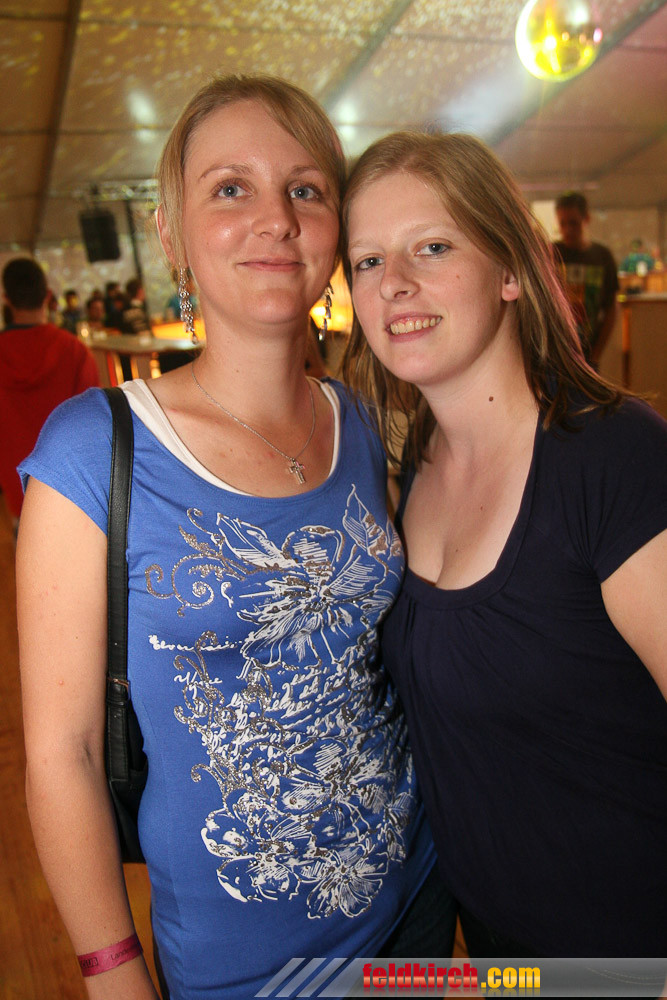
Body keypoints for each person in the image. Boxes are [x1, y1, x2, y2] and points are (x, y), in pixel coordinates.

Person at [17, 77, 446, 1000]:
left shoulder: (365, 422)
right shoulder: (94, 449)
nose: (276, 219)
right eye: (229, 188)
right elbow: (63, 754)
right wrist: (113, 976)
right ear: (172, 234)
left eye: (304, 189)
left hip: (416, 907)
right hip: (243, 971)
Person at [342, 131, 667, 959]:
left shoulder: (613, 457)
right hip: (495, 945)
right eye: (368, 261)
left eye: (432, 246)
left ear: (511, 270)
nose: (395, 282)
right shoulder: (407, 464)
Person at [0, 257, 99, 525]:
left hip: (16, 488)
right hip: (74, 490)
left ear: (7, 299)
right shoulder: (75, 351)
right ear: (47, 295)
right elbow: (93, 425)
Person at [553, 190, 619, 365]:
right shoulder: (550, 253)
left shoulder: (603, 257)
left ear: (586, 219)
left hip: (588, 355)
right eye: (562, 223)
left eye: (573, 223)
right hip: (554, 357)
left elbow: (611, 308)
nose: (567, 230)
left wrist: (596, 354)